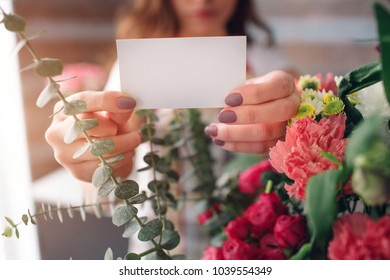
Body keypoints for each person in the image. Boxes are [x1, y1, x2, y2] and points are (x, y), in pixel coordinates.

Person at [45, 0, 300, 258]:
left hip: (248, 246)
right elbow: (103, 194)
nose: (203, 1)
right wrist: (97, 163)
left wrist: (296, 121)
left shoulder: (264, 61)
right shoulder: (137, 67)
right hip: (160, 247)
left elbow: (299, 98)